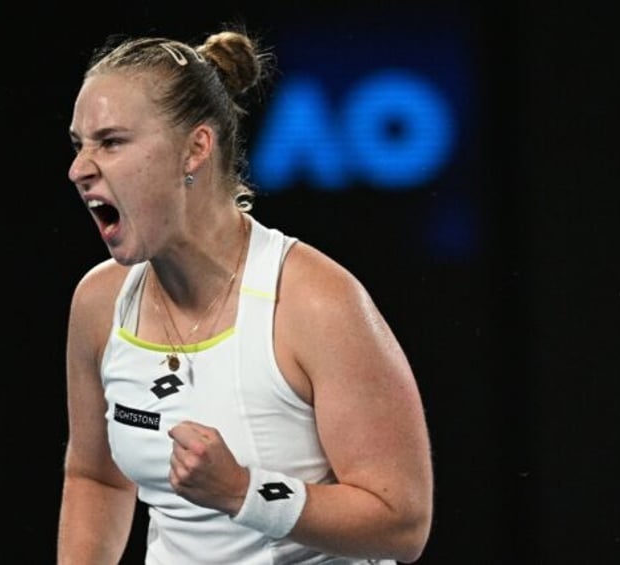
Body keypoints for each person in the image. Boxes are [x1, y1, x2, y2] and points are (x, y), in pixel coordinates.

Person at [57, 27, 433, 565]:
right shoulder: (98, 303)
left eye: (111, 142)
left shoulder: (316, 302)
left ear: (195, 148)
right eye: (79, 145)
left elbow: (402, 523)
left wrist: (241, 492)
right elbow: (95, 476)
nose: (79, 169)